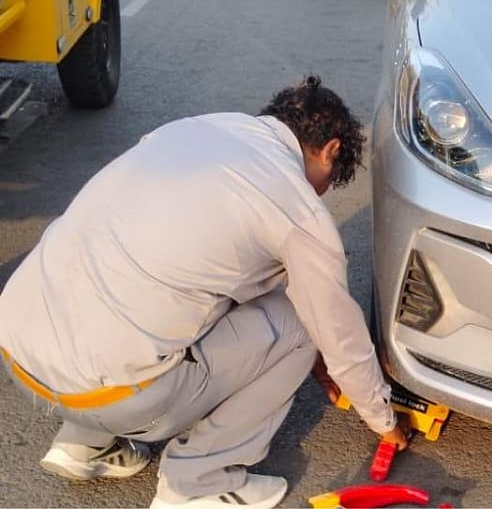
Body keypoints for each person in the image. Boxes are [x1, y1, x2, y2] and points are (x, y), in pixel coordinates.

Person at [0, 76, 409, 509]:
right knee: (301, 328)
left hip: (21, 356)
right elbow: (338, 335)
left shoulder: (195, 129)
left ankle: (83, 444)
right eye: (328, 181)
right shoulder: (295, 204)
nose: (321, 193)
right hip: (112, 396)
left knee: (144, 279)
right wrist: (383, 420)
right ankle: (197, 482)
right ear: (330, 150)